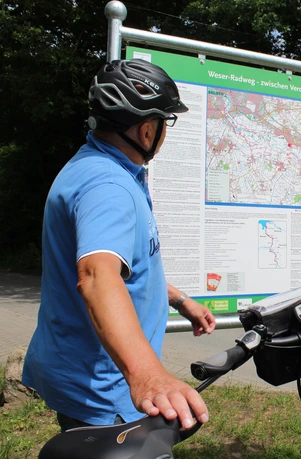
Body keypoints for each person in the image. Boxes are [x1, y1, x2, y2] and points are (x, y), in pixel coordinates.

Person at [22, 59, 216, 432]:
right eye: (165, 123)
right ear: (147, 131)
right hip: (105, 392)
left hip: (78, 372)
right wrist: (147, 374)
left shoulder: (91, 166)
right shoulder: (109, 187)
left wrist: (179, 300)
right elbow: (96, 276)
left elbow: (127, 265)